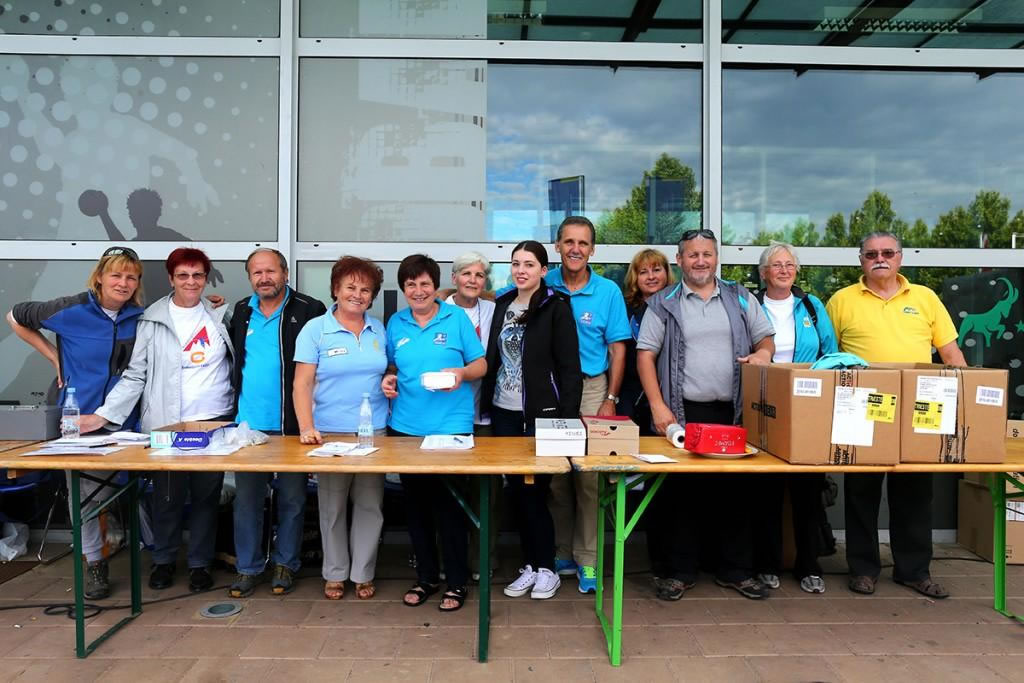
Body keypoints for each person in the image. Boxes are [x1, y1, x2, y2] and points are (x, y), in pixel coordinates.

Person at [80, 248, 234, 593]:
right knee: (166, 497)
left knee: (207, 498)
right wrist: (103, 415)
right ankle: (163, 561)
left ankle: (199, 564)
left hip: (214, 421)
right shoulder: (151, 319)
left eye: (197, 275)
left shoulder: (220, 315)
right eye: (183, 275)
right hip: (168, 423)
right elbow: (135, 375)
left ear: (206, 279)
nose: (191, 282)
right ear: (170, 278)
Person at [826, 231, 966, 599]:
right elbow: (828, 357)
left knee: (915, 495)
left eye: (888, 252)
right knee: (861, 494)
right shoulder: (841, 300)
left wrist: (964, 403)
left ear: (901, 258)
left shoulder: (925, 297)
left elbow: (950, 354)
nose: (880, 259)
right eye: (871, 254)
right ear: (861, 260)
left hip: (918, 407)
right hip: (861, 405)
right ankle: (863, 570)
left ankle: (914, 571)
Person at [636, 228, 775, 600]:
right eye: (693, 255)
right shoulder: (663, 303)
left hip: (732, 412)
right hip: (684, 413)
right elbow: (645, 355)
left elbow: (765, 338)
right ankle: (679, 573)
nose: (700, 261)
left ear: (716, 258)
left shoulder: (740, 297)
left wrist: (763, 354)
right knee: (681, 496)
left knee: (735, 494)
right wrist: (657, 405)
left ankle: (736, 571)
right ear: (680, 260)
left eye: (707, 254)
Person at [6, 246, 146, 600]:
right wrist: (54, 357)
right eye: (116, 275)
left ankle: (126, 542)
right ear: (99, 277)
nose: (123, 283)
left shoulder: (139, 318)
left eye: (131, 277)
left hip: (124, 420)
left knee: (119, 490)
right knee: (82, 494)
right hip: (76, 419)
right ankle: (94, 562)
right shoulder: (70, 309)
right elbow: (15, 316)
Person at [382, 254, 486, 612]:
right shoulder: (396, 322)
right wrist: (389, 378)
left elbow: (481, 363)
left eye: (424, 283)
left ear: (436, 285)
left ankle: (456, 582)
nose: (418, 290)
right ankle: (426, 577)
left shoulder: (456, 318)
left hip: (451, 426)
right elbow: (391, 364)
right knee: (416, 509)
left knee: (450, 508)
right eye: (411, 284)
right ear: (404, 288)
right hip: (406, 428)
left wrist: (461, 374)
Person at [480, 240, 582, 600]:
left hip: (543, 416)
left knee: (536, 492)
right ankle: (530, 565)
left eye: (528, 264)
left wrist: (567, 420)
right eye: (515, 263)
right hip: (504, 412)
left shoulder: (556, 306)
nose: (521, 270)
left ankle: (546, 568)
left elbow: (570, 369)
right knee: (518, 492)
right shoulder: (503, 304)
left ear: (543, 270)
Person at [226, 248, 326, 598]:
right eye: (257, 273)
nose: (264, 278)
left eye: (270, 271)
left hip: (292, 425)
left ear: (285, 273)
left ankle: (286, 564)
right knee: (247, 502)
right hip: (249, 427)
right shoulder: (242, 310)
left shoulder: (309, 309)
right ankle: (248, 567)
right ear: (249, 277)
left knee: (293, 500)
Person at [293, 256, 388, 601]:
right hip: (330, 434)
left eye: (365, 289)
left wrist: (390, 379)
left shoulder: (379, 329)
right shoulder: (315, 329)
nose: (357, 295)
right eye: (351, 287)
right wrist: (307, 427)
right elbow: (302, 384)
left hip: (374, 433)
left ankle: (363, 573)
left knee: (370, 506)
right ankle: (334, 573)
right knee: (332, 508)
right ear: (336, 289)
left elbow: (387, 370)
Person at [545, 216, 631, 593]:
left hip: (592, 388)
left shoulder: (607, 291)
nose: (575, 249)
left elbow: (618, 349)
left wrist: (611, 398)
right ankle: (561, 553)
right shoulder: (544, 283)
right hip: (552, 392)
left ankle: (588, 560)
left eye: (583, 243)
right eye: (569, 242)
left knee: (589, 479)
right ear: (557, 246)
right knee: (556, 478)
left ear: (592, 249)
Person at [751, 242, 838, 594]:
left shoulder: (812, 306)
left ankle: (809, 565)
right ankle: (766, 564)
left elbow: (831, 354)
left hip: (807, 407)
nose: (784, 270)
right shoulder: (749, 304)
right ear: (764, 273)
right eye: (776, 265)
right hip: (764, 405)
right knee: (766, 492)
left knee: (807, 492)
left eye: (789, 264)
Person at [620, 249, 675, 579]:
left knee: (664, 482)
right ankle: (621, 552)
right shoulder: (626, 308)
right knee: (628, 479)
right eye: (644, 271)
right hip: (630, 402)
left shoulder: (677, 305)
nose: (651, 276)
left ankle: (664, 558)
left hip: (668, 403)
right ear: (634, 278)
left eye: (657, 270)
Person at [445, 252, 499, 581]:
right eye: (466, 274)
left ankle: (483, 561)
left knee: (487, 493)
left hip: (486, 414)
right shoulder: (440, 311)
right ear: (454, 278)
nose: (473, 280)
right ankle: (448, 561)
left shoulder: (494, 310)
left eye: (479, 275)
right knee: (449, 492)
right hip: (449, 416)